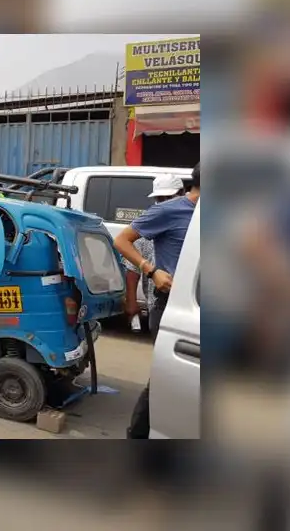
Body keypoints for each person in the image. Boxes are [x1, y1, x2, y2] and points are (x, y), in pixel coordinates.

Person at [114, 163, 200, 439]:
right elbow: (122, 241)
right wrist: (151, 270)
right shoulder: (169, 212)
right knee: (166, 380)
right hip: (171, 307)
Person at [122, 174, 185, 333]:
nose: (165, 202)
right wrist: (131, 301)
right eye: (160, 199)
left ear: (182, 193)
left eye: (170, 197)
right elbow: (132, 269)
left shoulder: (191, 220)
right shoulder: (148, 222)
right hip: (158, 303)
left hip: (186, 303)